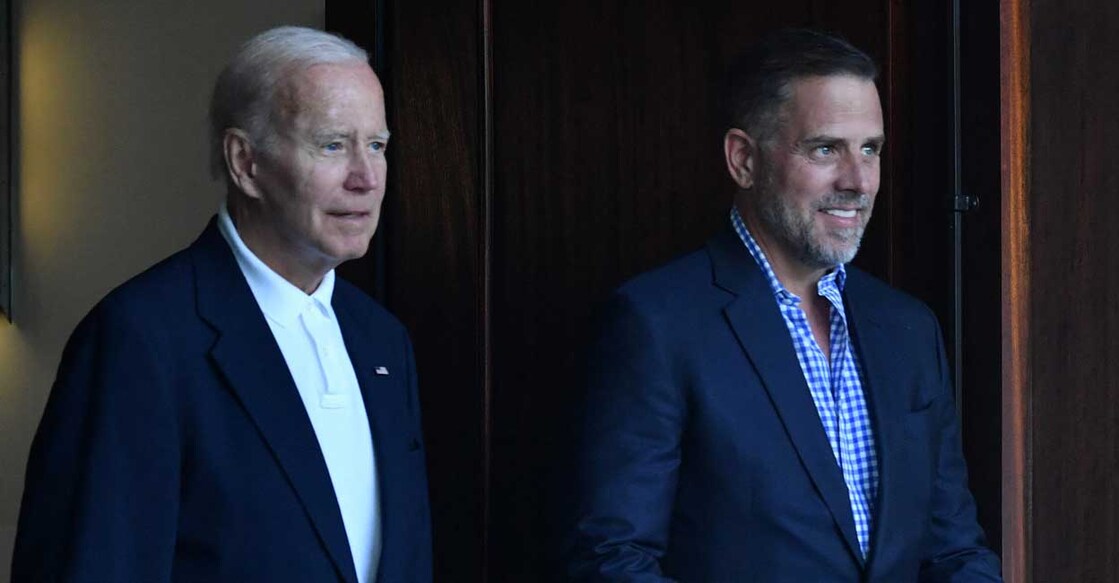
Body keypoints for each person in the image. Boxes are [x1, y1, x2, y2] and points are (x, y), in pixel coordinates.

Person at [568, 29, 1001, 581]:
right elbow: (613, 558)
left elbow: (955, 551)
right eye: (825, 148)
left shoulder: (909, 328)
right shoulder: (656, 323)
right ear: (743, 159)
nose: (857, 181)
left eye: (870, 149)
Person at [12, 26, 431, 583]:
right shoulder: (140, 337)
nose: (367, 177)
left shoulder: (382, 339)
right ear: (245, 162)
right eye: (332, 144)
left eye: (376, 146)